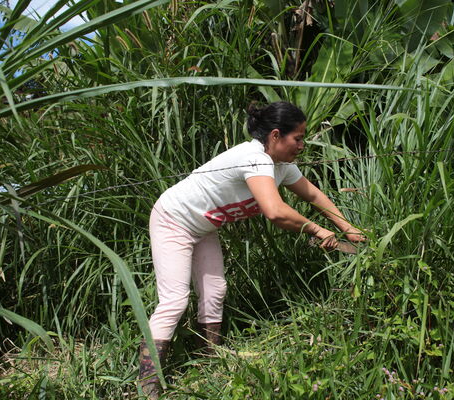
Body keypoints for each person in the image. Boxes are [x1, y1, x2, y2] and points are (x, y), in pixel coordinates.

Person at [138, 101, 364, 398]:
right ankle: (147, 385)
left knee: (216, 290)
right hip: (173, 219)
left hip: (202, 226)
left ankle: (207, 364)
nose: (302, 145)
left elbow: (313, 195)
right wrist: (316, 229)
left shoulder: (282, 166)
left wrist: (348, 228)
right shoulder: (253, 157)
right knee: (175, 301)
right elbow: (275, 211)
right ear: (275, 136)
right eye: (297, 138)